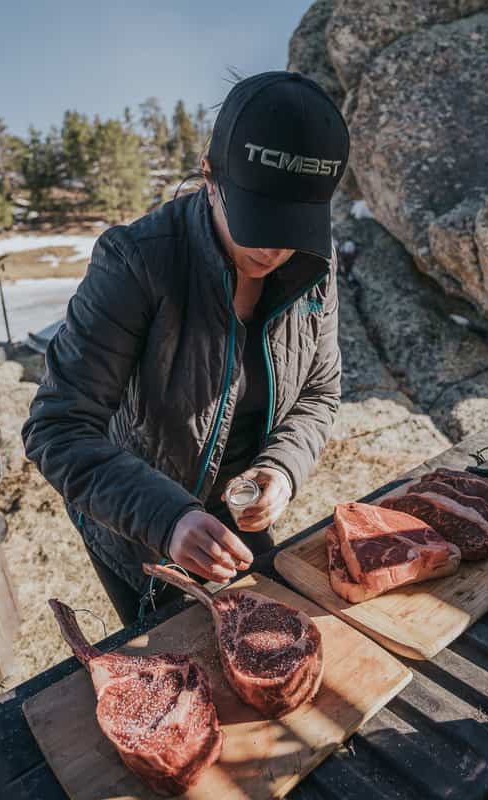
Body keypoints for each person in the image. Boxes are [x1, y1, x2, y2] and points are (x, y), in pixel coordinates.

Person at [22, 71, 350, 625]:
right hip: (135, 517)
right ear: (209, 176)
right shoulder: (136, 262)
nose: (274, 247)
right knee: (173, 657)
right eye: (258, 220)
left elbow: (320, 390)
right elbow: (57, 428)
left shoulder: (313, 263)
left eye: (291, 224)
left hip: (239, 507)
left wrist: (283, 468)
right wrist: (167, 518)